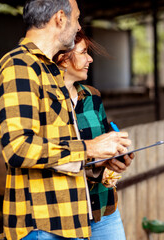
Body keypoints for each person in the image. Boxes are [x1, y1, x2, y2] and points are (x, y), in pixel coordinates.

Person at [0, 0, 132, 239]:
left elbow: (60, 151)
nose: (78, 27)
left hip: (69, 217)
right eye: (76, 19)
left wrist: (97, 161)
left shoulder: (50, 71)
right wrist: (90, 148)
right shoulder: (19, 66)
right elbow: (18, 148)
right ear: (60, 18)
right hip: (42, 224)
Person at [54, 31, 133, 240]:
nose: (90, 59)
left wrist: (116, 156)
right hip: (68, 212)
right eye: (83, 52)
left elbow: (106, 136)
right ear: (63, 59)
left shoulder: (93, 96)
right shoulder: (48, 102)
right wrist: (94, 161)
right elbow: (51, 155)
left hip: (104, 208)